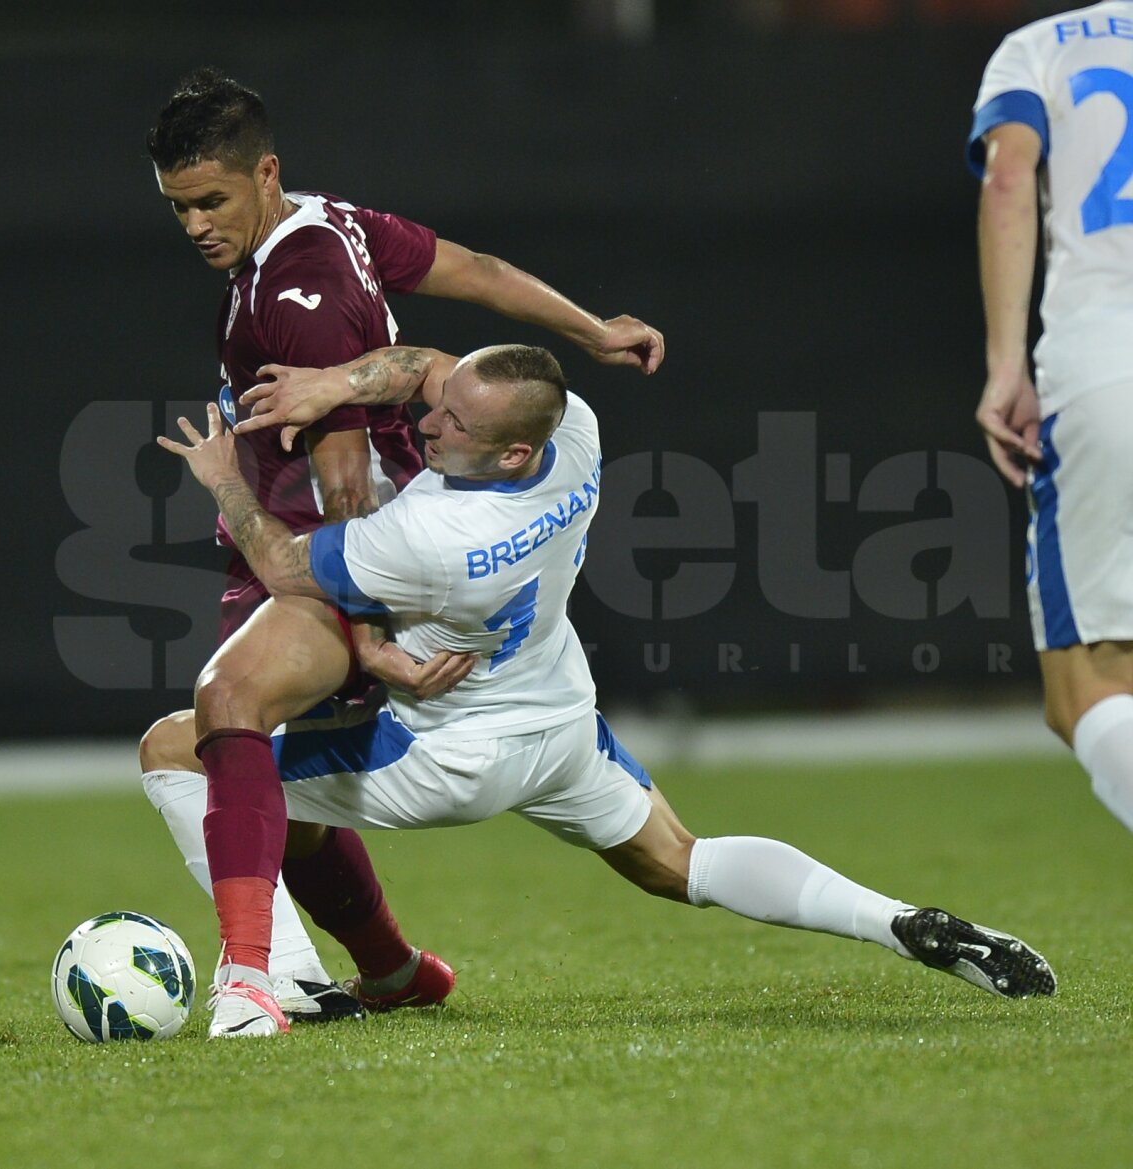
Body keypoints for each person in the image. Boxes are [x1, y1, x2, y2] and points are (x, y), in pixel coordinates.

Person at [159, 343, 1057, 1038]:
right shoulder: (573, 430)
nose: (429, 425)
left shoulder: (434, 535)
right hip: (560, 724)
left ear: (512, 455)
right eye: (443, 409)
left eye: (454, 428)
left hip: (448, 754)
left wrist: (225, 480)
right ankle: (900, 921)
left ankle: (258, 978)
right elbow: (432, 371)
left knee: (183, 748)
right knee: (685, 862)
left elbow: (282, 563)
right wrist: (346, 381)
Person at [139, 68, 666, 1022]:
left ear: (265, 173)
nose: (195, 225)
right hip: (325, 538)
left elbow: (343, 475)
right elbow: (473, 269)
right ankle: (386, 970)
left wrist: (369, 631)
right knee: (260, 761)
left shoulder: (298, 289)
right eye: (178, 207)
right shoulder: (328, 222)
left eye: (210, 201)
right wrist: (590, 329)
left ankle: (259, 981)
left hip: (326, 549)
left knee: (218, 726)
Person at [969, 4, 1133, 837]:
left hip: (1110, 360)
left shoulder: (1040, 48)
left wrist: (1007, 365)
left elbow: (1008, 179)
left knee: (1088, 690)